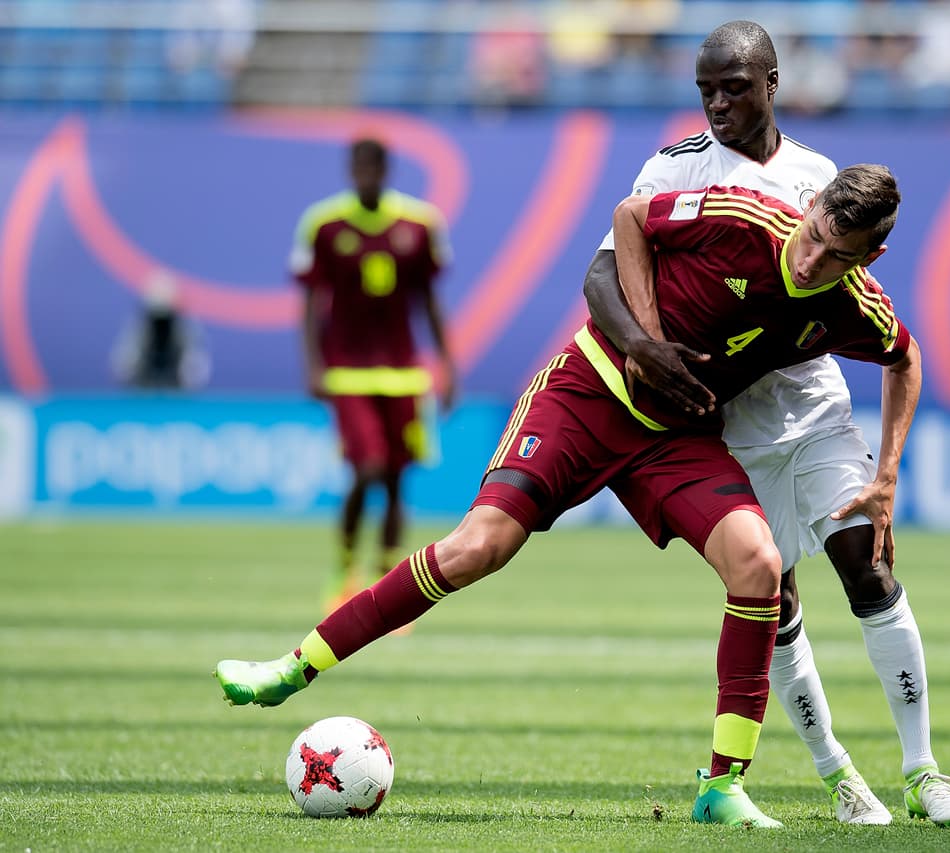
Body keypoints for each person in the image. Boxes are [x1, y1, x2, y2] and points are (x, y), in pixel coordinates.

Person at [216, 165, 910, 829]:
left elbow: (904, 356)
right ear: (812, 201)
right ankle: (293, 666)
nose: (812, 258)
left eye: (837, 253)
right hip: (587, 396)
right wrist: (643, 340)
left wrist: (886, 474)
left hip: (676, 437)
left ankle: (722, 784)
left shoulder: (851, 303)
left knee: (759, 563)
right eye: (815, 232)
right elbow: (631, 217)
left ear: (869, 255)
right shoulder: (739, 217)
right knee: (477, 548)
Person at [582, 21, 950, 827]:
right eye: (705, 91)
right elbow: (607, 267)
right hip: (729, 424)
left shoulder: (819, 177)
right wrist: (650, 350)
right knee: (775, 597)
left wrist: (889, 472)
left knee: (866, 568)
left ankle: (923, 770)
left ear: (771, 84)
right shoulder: (675, 168)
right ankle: (839, 776)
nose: (718, 105)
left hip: (816, 405)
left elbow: (884, 336)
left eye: (734, 88)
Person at [290, 138, 457, 611]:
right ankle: (344, 568)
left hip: (404, 373)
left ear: (385, 170)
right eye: (358, 166)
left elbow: (429, 301)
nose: (365, 175)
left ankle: (387, 587)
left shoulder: (420, 225)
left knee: (396, 481)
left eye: (373, 166)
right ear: (350, 170)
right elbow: (308, 303)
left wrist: (448, 366)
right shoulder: (324, 225)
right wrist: (313, 366)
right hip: (349, 373)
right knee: (368, 470)